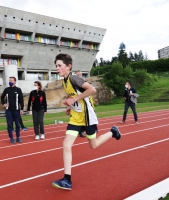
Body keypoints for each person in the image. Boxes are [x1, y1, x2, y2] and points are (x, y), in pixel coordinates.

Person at [51, 54, 122, 190]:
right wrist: (70, 106)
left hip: (88, 117)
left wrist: (73, 100)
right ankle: (67, 180)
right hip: (76, 118)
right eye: (56, 66)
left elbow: (92, 89)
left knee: (93, 145)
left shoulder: (74, 78)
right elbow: (75, 97)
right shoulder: (65, 81)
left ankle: (113, 132)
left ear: (69, 66)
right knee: (66, 144)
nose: (57, 68)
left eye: (59, 65)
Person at [1, 77, 24, 144]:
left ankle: (18, 137)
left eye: (11, 80)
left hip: (17, 110)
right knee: (10, 125)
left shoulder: (18, 90)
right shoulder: (6, 89)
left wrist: (22, 109)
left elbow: (21, 100)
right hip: (9, 111)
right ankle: (11, 138)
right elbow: (2, 97)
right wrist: (3, 103)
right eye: (9, 80)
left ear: (15, 81)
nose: (10, 81)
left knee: (17, 124)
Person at [74, 70, 86, 138]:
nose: (78, 76)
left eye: (79, 75)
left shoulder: (84, 83)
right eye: (77, 75)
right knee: (78, 118)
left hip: (84, 102)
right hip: (76, 103)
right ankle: (80, 131)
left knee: (84, 117)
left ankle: (83, 130)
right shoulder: (74, 85)